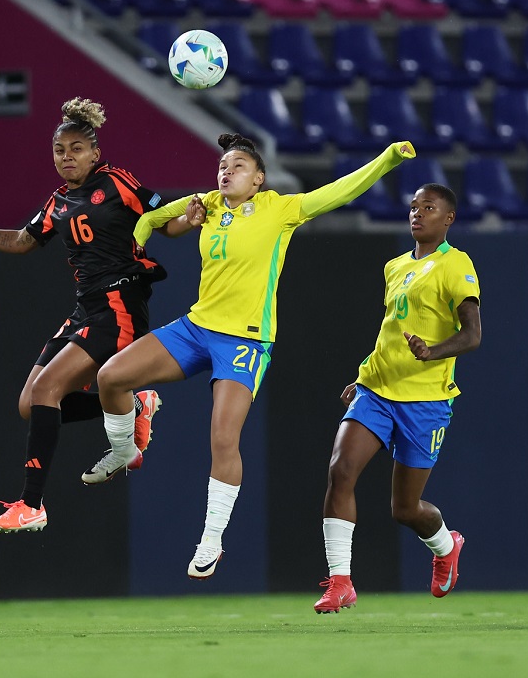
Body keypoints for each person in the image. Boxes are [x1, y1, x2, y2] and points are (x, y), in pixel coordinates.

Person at [81, 133, 417, 580]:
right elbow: (152, 218)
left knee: (223, 437)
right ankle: (126, 448)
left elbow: (341, 191)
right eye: (222, 165)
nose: (226, 171)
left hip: (245, 340)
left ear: (259, 179)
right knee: (110, 377)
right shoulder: (208, 204)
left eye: (238, 166)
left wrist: (388, 160)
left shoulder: (279, 209)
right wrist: (147, 241)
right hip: (197, 328)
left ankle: (211, 539)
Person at [0, 98, 168, 534]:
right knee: (29, 404)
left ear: (95, 152)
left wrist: (199, 213)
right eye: (60, 150)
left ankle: (31, 504)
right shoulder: (59, 201)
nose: (68, 157)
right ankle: (135, 405)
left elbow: (164, 216)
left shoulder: (116, 181)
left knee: (46, 389)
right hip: (86, 307)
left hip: (119, 304)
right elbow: (22, 240)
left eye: (77, 148)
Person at [313, 183, 481, 614]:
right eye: (413, 206)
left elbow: (472, 334)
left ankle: (446, 545)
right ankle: (340, 581)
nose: (417, 213)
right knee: (341, 469)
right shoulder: (394, 266)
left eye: (429, 207)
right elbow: (390, 330)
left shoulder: (456, 264)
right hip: (377, 391)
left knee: (405, 509)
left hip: (425, 402)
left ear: (448, 219)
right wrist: (363, 374)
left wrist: (432, 352)